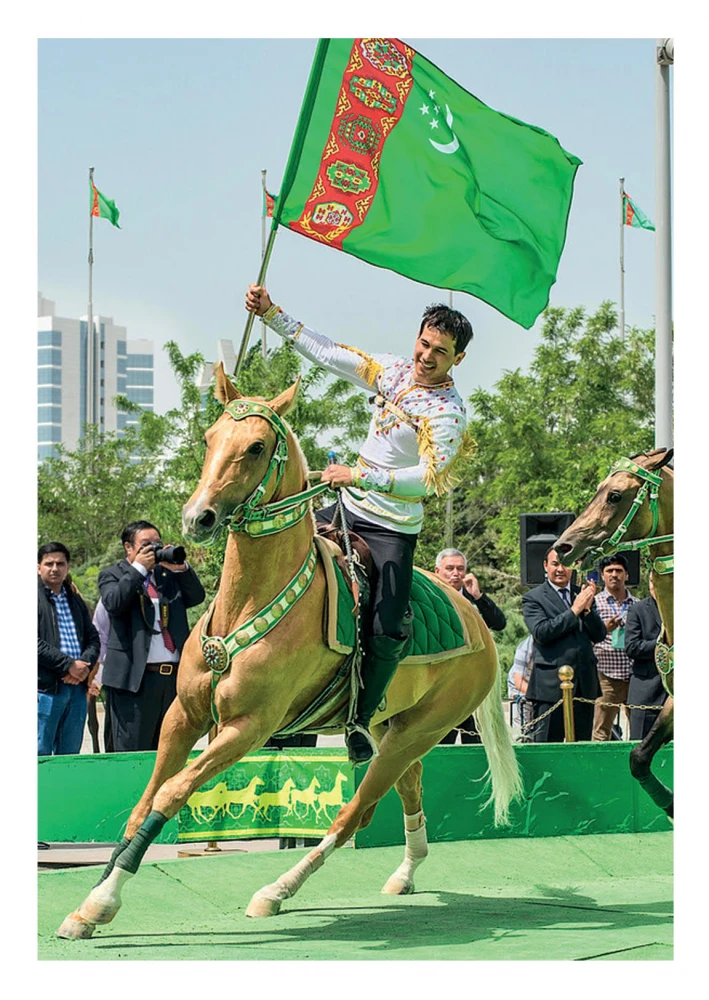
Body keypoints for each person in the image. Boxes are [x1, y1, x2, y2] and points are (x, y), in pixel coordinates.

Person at [245, 284, 473, 764]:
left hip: (391, 528)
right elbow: (328, 353)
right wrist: (271, 315)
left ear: (459, 359)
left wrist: (361, 473)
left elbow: (427, 480)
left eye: (441, 352)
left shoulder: (449, 413)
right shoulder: (390, 370)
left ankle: (359, 721)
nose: (427, 357)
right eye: (424, 344)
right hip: (344, 508)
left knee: (388, 622)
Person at [99, 520, 205, 752]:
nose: (153, 549)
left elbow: (196, 597)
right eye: (146, 544)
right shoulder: (112, 574)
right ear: (129, 547)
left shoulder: (167, 575)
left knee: (170, 749)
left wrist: (182, 570)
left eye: (157, 544)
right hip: (135, 681)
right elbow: (114, 603)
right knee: (133, 749)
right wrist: (138, 569)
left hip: (173, 678)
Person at [522, 545, 606, 742]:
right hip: (550, 686)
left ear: (574, 567)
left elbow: (599, 634)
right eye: (555, 564)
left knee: (581, 746)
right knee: (548, 747)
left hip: (584, 685)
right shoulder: (533, 598)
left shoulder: (582, 593)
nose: (560, 569)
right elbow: (542, 632)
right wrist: (574, 610)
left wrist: (586, 610)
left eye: (565, 565)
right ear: (546, 566)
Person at [433, 547, 506, 744]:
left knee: (476, 744)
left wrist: (479, 596)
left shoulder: (472, 598)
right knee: (441, 745)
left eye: (460, 568)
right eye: (449, 568)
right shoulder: (429, 598)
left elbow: (499, 623)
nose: (455, 573)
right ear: (437, 571)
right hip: (442, 687)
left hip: (473, 686)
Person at [38, 542, 100, 755]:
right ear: (38, 568)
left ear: (67, 567)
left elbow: (94, 639)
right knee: (39, 755)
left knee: (70, 755)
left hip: (76, 690)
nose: (54, 568)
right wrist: (68, 666)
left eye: (60, 563)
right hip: (45, 690)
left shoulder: (74, 600)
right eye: (49, 563)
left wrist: (82, 667)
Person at [591, 553, 639, 741]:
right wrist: (603, 629)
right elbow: (585, 637)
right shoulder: (593, 603)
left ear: (626, 574)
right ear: (602, 576)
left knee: (638, 731)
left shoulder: (637, 605)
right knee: (601, 732)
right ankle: (599, 769)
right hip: (605, 676)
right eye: (609, 571)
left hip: (634, 675)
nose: (614, 575)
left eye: (618, 570)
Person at [625, 576, 668, 740]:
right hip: (646, 694)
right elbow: (632, 646)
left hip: (673, 697)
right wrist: (661, 645)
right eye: (652, 581)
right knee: (640, 748)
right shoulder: (638, 609)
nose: (655, 585)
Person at [507, 634, 534, 736]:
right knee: (522, 731)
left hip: (539, 688)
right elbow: (519, 682)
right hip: (519, 690)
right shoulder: (525, 648)